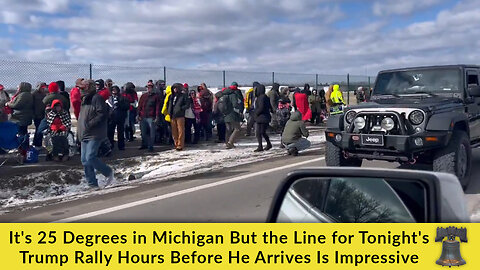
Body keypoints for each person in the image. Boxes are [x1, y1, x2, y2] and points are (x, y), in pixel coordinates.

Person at [78, 79, 114, 188]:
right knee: (84, 160)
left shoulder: (96, 98)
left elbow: (101, 114)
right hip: (84, 133)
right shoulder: (84, 99)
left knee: (90, 157)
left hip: (95, 133)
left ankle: (108, 172)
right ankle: (92, 184)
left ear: (89, 87)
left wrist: (90, 124)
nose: (81, 89)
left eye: (83, 87)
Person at [6, 82, 34, 151]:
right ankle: (24, 147)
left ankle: (21, 148)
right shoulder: (28, 95)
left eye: (19, 87)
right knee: (23, 132)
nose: (17, 88)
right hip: (24, 117)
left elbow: (16, 105)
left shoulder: (23, 95)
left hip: (20, 118)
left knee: (21, 133)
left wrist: (8, 104)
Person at [138, 80, 162, 152]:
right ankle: (144, 144)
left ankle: (150, 146)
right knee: (143, 132)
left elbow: (157, 107)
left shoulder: (156, 97)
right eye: (148, 87)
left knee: (152, 133)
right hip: (143, 116)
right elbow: (140, 106)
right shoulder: (143, 96)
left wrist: (157, 116)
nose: (149, 88)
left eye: (150, 87)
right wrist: (138, 114)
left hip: (151, 117)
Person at [167, 83, 190, 151]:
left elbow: (187, 104)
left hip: (180, 115)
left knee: (181, 131)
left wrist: (181, 108)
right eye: (174, 88)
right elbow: (168, 104)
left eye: (176, 88)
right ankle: (176, 143)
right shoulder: (171, 96)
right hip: (172, 115)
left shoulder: (183, 96)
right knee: (174, 131)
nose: (175, 89)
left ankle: (180, 145)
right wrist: (169, 111)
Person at [220, 84, 243, 149]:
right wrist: (239, 110)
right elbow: (235, 104)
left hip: (225, 114)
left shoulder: (224, 95)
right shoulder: (233, 95)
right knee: (237, 128)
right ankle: (230, 142)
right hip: (232, 114)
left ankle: (227, 142)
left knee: (228, 129)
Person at [107, 86, 129, 151]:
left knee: (121, 132)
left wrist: (120, 103)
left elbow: (127, 106)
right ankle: (111, 145)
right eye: (113, 90)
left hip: (120, 117)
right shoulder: (109, 99)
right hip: (111, 118)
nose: (114, 92)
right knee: (110, 132)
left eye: (115, 90)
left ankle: (121, 146)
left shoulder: (123, 98)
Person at [254, 84, 272, 152]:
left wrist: (256, 113)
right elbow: (270, 107)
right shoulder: (266, 97)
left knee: (259, 132)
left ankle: (260, 146)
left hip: (261, 116)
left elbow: (261, 107)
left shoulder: (261, 97)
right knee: (263, 132)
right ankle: (268, 144)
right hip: (265, 116)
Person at [32, 82, 47, 147]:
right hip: (37, 115)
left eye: (44, 88)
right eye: (42, 88)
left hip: (43, 114)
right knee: (38, 129)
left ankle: (38, 143)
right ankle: (36, 143)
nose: (43, 89)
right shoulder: (34, 94)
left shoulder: (44, 94)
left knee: (41, 129)